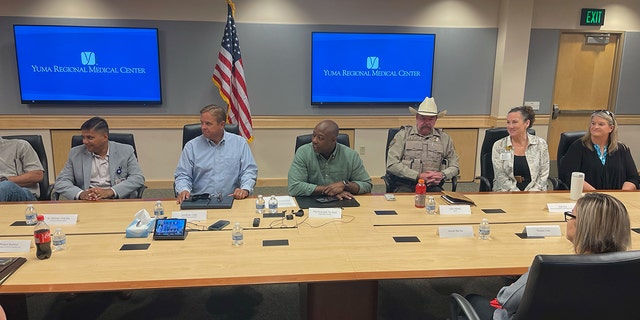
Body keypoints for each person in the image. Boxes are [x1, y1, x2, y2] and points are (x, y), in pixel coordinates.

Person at [461, 192, 631, 320]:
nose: (568, 220)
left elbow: (506, 299)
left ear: (583, 227)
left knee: (471, 299)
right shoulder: (629, 267)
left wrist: (519, 282)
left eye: (571, 215)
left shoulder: (551, 269)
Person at [175, 105, 257, 204]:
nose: (203, 127)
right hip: (199, 201)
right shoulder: (191, 146)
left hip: (232, 200)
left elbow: (248, 171)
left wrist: (245, 189)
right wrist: (183, 190)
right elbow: (183, 175)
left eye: (208, 124)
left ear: (222, 124)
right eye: (202, 123)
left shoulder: (239, 143)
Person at [54, 117, 145, 200]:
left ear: (105, 137)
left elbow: (137, 178)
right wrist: (81, 194)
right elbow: (61, 182)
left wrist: (110, 192)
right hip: (88, 201)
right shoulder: (75, 153)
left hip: (118, 200)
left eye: (90, 138)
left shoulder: (126, 151)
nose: (84, 142)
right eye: (83, 137)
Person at [386, 96, 459, 192]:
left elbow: (455, 166)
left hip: (433, 186)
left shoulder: (445, 139)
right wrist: (418, 176)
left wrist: (442, 175)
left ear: (436, 119)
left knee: (439, 204)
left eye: (430, 119)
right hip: (405, 184)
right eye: (423, 118)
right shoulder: (403, 135)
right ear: (416, 117)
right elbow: (392, 164)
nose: (426, 122)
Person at [288, 120, 372, 199]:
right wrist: (332, 191)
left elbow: (367, 185)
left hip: (342, 201)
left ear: (333, 140)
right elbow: (294, 187)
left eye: (320, 138)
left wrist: (345, 185)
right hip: (311, 200)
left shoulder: (351, 155)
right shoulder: (303, 152)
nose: (314, 140)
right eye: (313, 135)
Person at [559, 110, 639, 191]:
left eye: (601, 124)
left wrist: (621, 194)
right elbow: (570, 176)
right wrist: (597, 195)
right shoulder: (578, 146)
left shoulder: (621, 149)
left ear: (611, 128)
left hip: (616, 199)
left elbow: (633, 178)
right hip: (588, 198)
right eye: (593, 123)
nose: (595, 127)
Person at [491, 106, 549, 191]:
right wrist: (517, 193)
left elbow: (543, 174)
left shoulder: (540, 144)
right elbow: (500, 175)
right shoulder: (499, 145)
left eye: (514, 122)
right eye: (508, 122)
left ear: (527, 123)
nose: (510, 126)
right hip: (506, 192)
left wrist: (532, 193)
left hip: (535, 192)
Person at [0, 137, 44, 201]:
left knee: (6, 186)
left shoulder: (20, 145)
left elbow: (37, 175)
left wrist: (4, 180)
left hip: (24, 195)